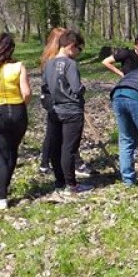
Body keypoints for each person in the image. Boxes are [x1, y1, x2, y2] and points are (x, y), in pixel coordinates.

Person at [41, 30, 91, 194]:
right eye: (79, 49)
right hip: (72, 110)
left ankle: (60, 181)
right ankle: (72, 184)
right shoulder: (70, 64)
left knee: (56, 148)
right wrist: (83, 90)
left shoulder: (49, 64)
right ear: (71, 46)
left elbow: (45, 87)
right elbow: (76, 88)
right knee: (68, 148)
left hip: (55, 110)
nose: (78, 53)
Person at [0, 33, 31, 209]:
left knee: (2, 152)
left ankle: (2, 193)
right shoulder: (18, 67)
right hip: (16, 110)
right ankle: (2, 192)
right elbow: (26, 93)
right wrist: (22, 104)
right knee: (11, 151)